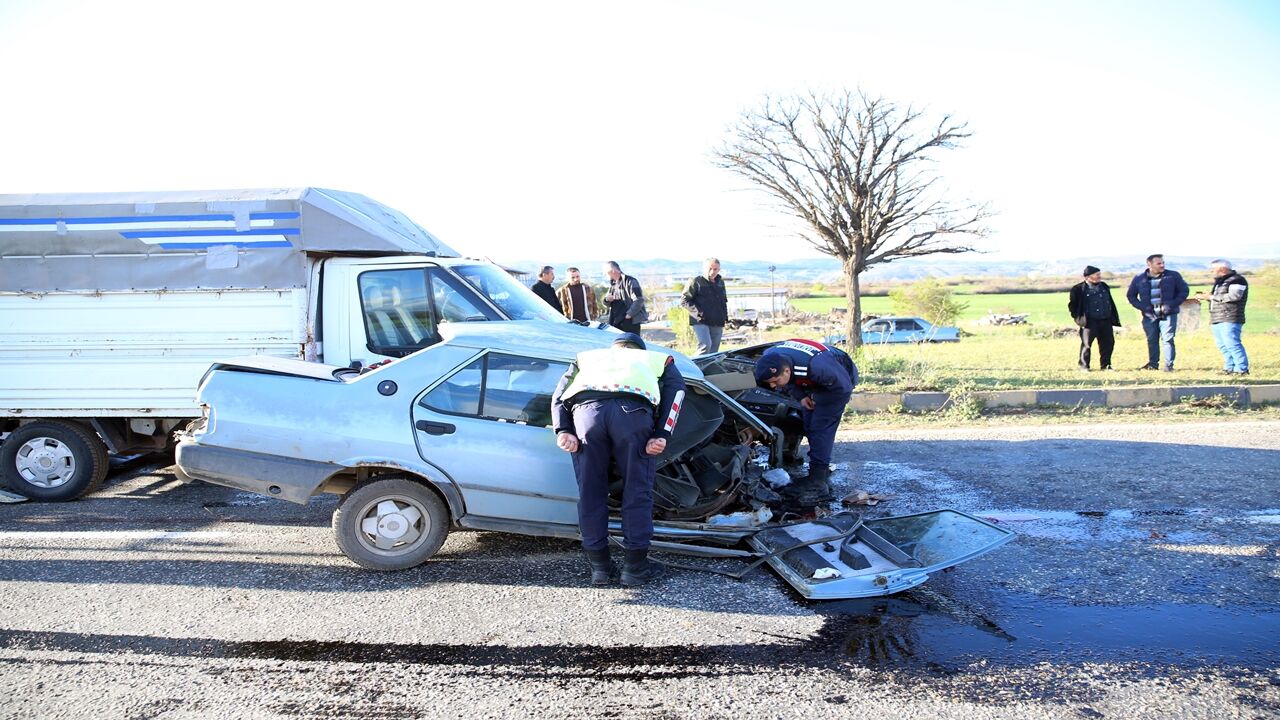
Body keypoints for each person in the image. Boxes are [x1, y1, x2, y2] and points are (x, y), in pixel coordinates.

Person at [551, 333, 685, 587]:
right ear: (639, 349)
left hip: (586, 416)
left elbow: (559, 395)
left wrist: (564, 429)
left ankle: (600, 569)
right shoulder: (659, 359)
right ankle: (634, 569)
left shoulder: (586, 358)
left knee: (591, 493)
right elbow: (676, 393)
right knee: (637, 491)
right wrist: (661, 434)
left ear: (614, 348)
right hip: (633, 416)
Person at [753, 339, 857, 506]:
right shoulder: (770, 358)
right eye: (769, 382)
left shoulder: (819, 368)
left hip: (839, 379)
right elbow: (791, 382)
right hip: (811, 381)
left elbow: (843, 389)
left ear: (786, 371)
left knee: (820, 428)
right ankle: (817, 470)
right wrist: (802, 397)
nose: (772, 386)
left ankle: (817, 482)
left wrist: (816, 398)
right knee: (808, 424)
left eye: (775, 381)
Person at [1126, 254, 1189, 371]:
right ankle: (1153, 364)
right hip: (1149, 316)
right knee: (1152, 340)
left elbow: (1184, 291)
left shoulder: (1173, 276)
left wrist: (1172, 305)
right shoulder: (1139, 278)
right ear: (1149, 264)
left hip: (1168, 314)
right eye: (1159, 263)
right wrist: (1142, 307)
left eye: (1163, 263)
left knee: (1168, 339)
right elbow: (1131, 296)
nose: (1162, 265)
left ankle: (1169, 366)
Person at [1194, 259, 1250, 375]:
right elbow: (1219, 297)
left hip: (1230, 316)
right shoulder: (1220, 282)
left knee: (1232, 343)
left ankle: (1242, 369)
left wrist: (1211, 297)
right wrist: (1208, 296)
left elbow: (1235, 296)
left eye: (1213, 269)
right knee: (1222, 345)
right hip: (1217, 317)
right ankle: (1229, 367)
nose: (1211, 271)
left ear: (1223, 269)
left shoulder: (1237, 280)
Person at [1067, 265, 1121, 371]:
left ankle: (1106, 365)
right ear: (1088, 277)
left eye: (1099, 274)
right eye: (1097, 274)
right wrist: (1078, 318)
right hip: (1089, 322)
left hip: (1105, 320)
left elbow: (1109, 301)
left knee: (1108, 343)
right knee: (1087, 344)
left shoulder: (1104, 286)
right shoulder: (1078, 289)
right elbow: (1072, 306)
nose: (1099, 276)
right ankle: (1084, 366)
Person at [681, 257, 729, 355]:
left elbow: (723, 301)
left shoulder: (720, 282)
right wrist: (697, 312)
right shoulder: (696, 281)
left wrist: (725, 317)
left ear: (719, 269)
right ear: (704, 268)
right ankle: (694, 368)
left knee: (714, 351)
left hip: (717, 320)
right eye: (710, 268)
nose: (712, 272)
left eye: (715, 269)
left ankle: (707, 369)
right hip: (700, 320)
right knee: (705, 345)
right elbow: (684, 300)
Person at [601, 261, 647, 334]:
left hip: (630, 322)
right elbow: (605, 303)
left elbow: (639, 300)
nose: (605, 275)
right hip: (615, 322)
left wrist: (629, 314)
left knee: (631, 343)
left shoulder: (631, 281)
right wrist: (607, 300)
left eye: (606, 272)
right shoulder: (613, 284)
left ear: (612, 271)